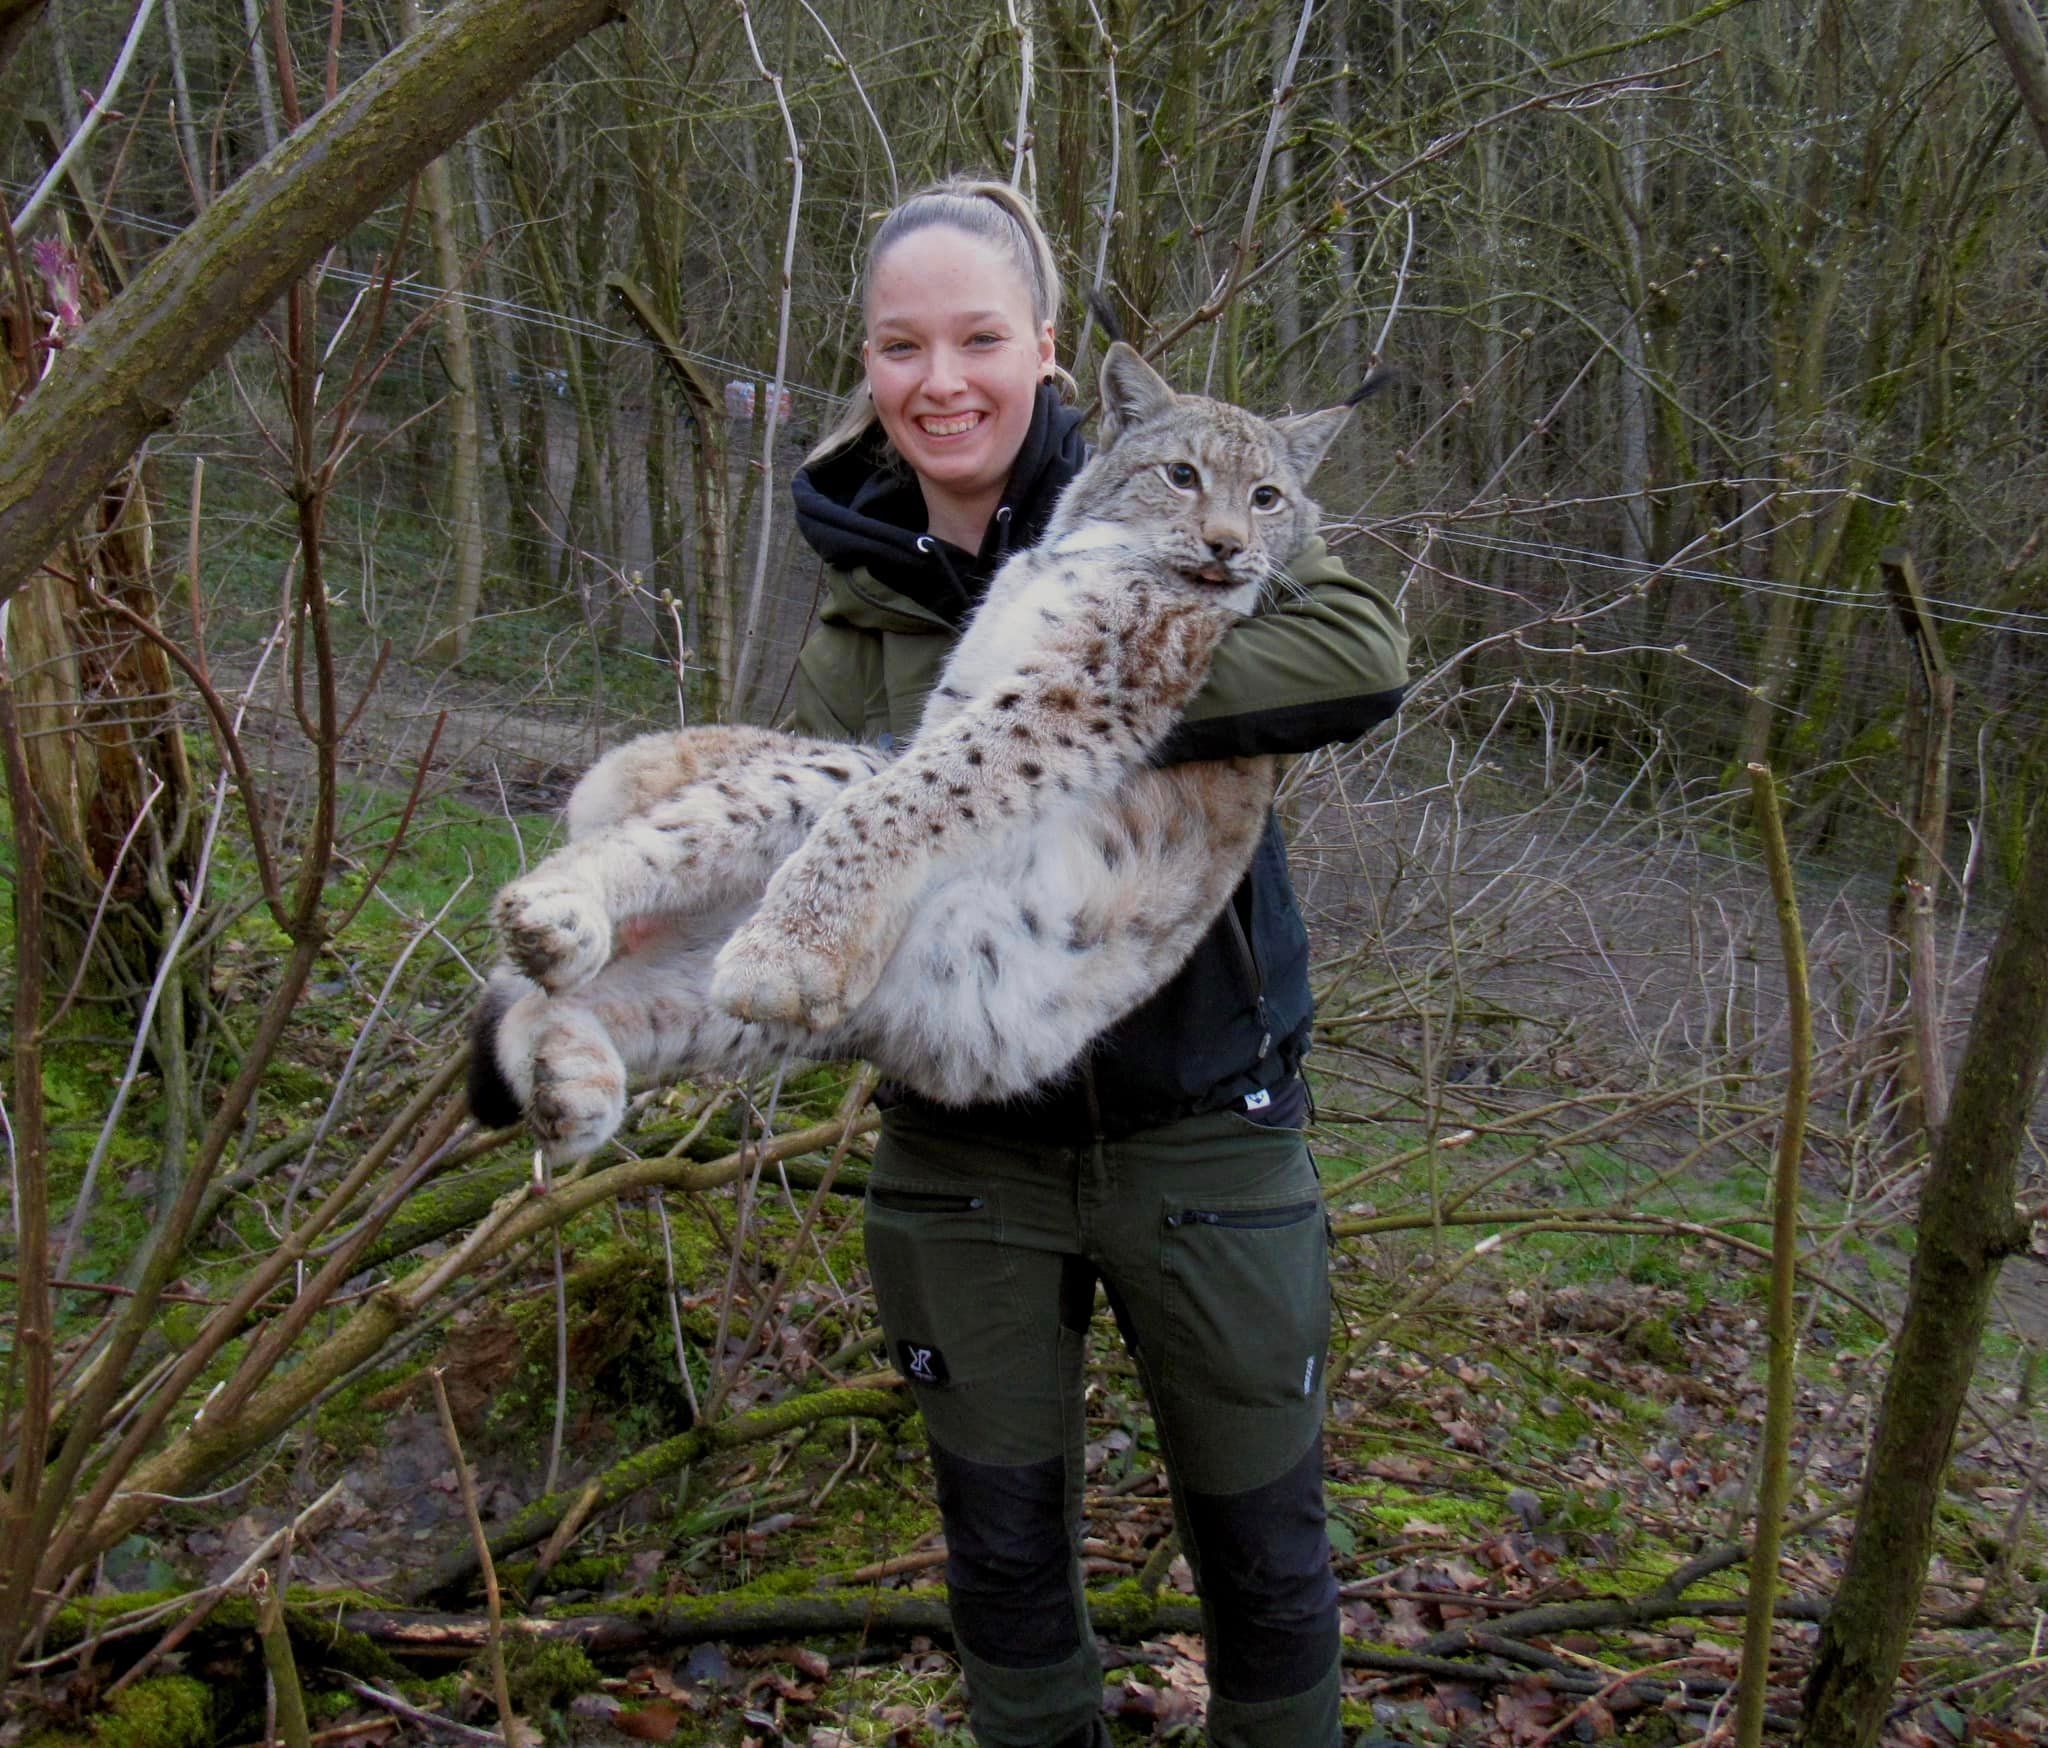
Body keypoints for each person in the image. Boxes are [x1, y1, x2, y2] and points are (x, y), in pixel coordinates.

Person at [786, 176, 1408, 1748]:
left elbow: (1355, 653)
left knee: (1266, 1557)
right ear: (865, 365)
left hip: (1204, 1129)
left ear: (1047, 351)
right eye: (902, 345)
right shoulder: (853, 596)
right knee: (997, 1556)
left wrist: (1054, 698)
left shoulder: (1203, 492)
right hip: (962, 1149)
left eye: (981, 337)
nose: (945, 380)